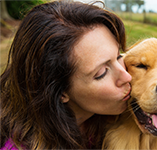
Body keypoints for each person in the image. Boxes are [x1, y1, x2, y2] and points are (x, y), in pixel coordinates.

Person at [0, 1, 132, 150]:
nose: (127, 77)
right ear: (60, 91)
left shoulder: (107, 118)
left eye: (119, 56)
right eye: (102, 73)